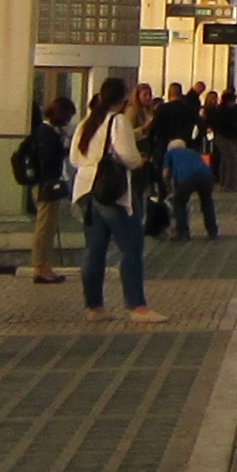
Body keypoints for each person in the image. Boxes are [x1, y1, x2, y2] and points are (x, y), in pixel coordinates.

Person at [73, 78, 165, 325]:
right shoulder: (118, 121)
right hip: (112, 192)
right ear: (123, 97)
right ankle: (137, 306)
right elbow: (129, 157)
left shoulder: (87, 122)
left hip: (85, 190)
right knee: (132, 247)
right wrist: (139, 161)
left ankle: (94, 306)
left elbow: (74, 157)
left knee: (94, 249)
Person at [13, 95, 73, 284]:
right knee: (44, 227)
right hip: (46, 185)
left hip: (43, 184)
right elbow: (48, 160)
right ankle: (40, 266)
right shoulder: (47, 133)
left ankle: (44, 265)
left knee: (47, 226)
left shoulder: (42, 131)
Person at [161, 137, 219, 240]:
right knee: (207, 202)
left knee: (179, 203)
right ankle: (213, 231)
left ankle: (183, 233)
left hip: (187, 178)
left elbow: (165, 172)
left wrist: (167, 186)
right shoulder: (192, 151)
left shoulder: (170, 153)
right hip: (206, 176)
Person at [206, 86, 237, 188]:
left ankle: (225, 183)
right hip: (224, 137)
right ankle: (230, 183)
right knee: (232, 159)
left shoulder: (228, 110)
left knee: (226, 160)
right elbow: (224, 124)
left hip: (228, 136)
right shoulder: (222, 111)